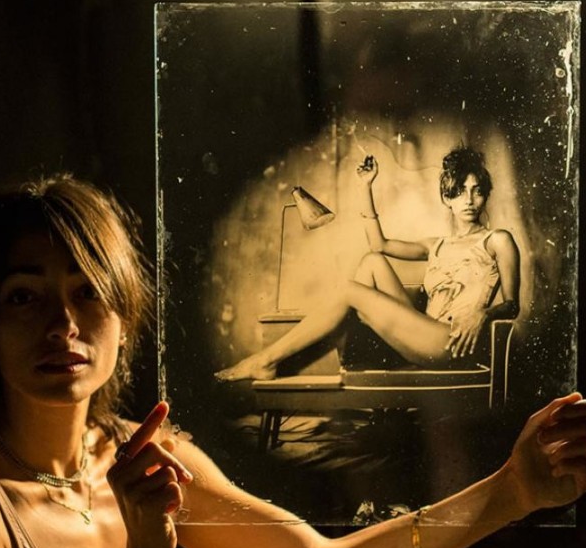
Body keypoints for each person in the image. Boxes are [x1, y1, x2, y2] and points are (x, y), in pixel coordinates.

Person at [0, 174, 586, 548]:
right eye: (24, 296)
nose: (62, 323)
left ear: (123, 315)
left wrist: (512, 492)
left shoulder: (147, 456)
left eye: (87, 291)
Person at [215, 147, 521, 381]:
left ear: (485, 196)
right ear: (447, 198)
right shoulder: (436, 245)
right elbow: (379, 245)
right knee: (372, 262)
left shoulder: (497, 240)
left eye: (477, 191)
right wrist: (365, 187)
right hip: (422, 334)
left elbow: (512, 305)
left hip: (451, 341)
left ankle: (267, 360)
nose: (469, 200)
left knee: (348, 291)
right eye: (460, 191)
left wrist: (483, 314)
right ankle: (347, 361)